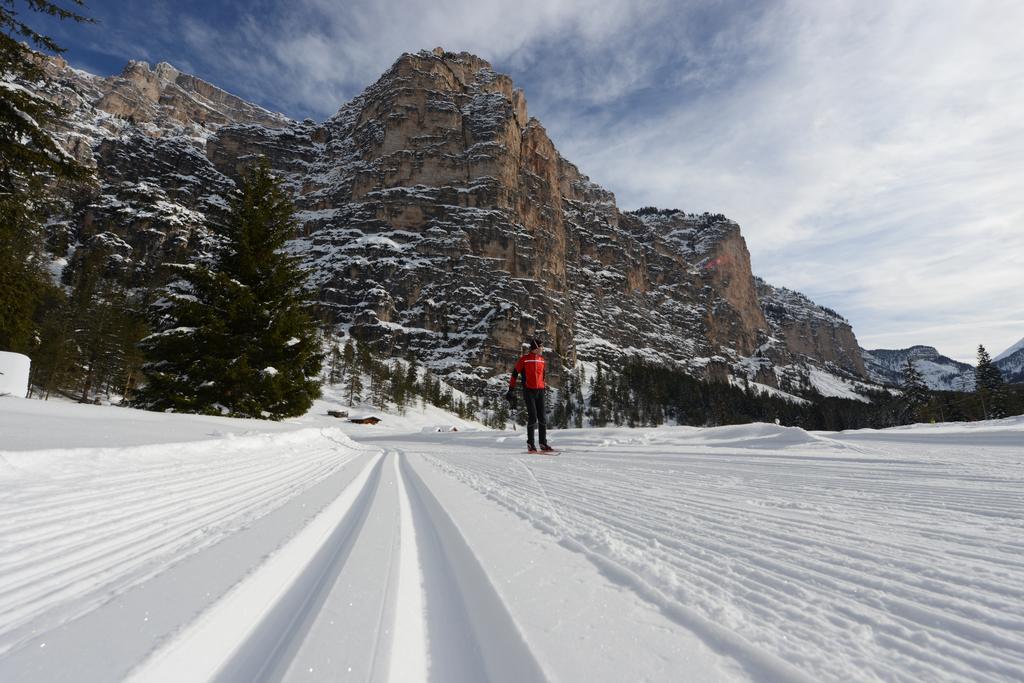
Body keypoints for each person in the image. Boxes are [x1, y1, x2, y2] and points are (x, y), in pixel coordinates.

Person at [506, 338, 553, 452]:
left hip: (540, 390)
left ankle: (543, 443)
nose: (542, 349)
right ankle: (530, 444)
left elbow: (542, 375)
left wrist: (544, 384)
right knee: (533, 416)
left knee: (542, 417)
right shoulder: (524, 359)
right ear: (536, 348)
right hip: (529, 391)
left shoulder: (542, 360)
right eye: (541, 346)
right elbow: (515, 374)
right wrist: (511, 389)